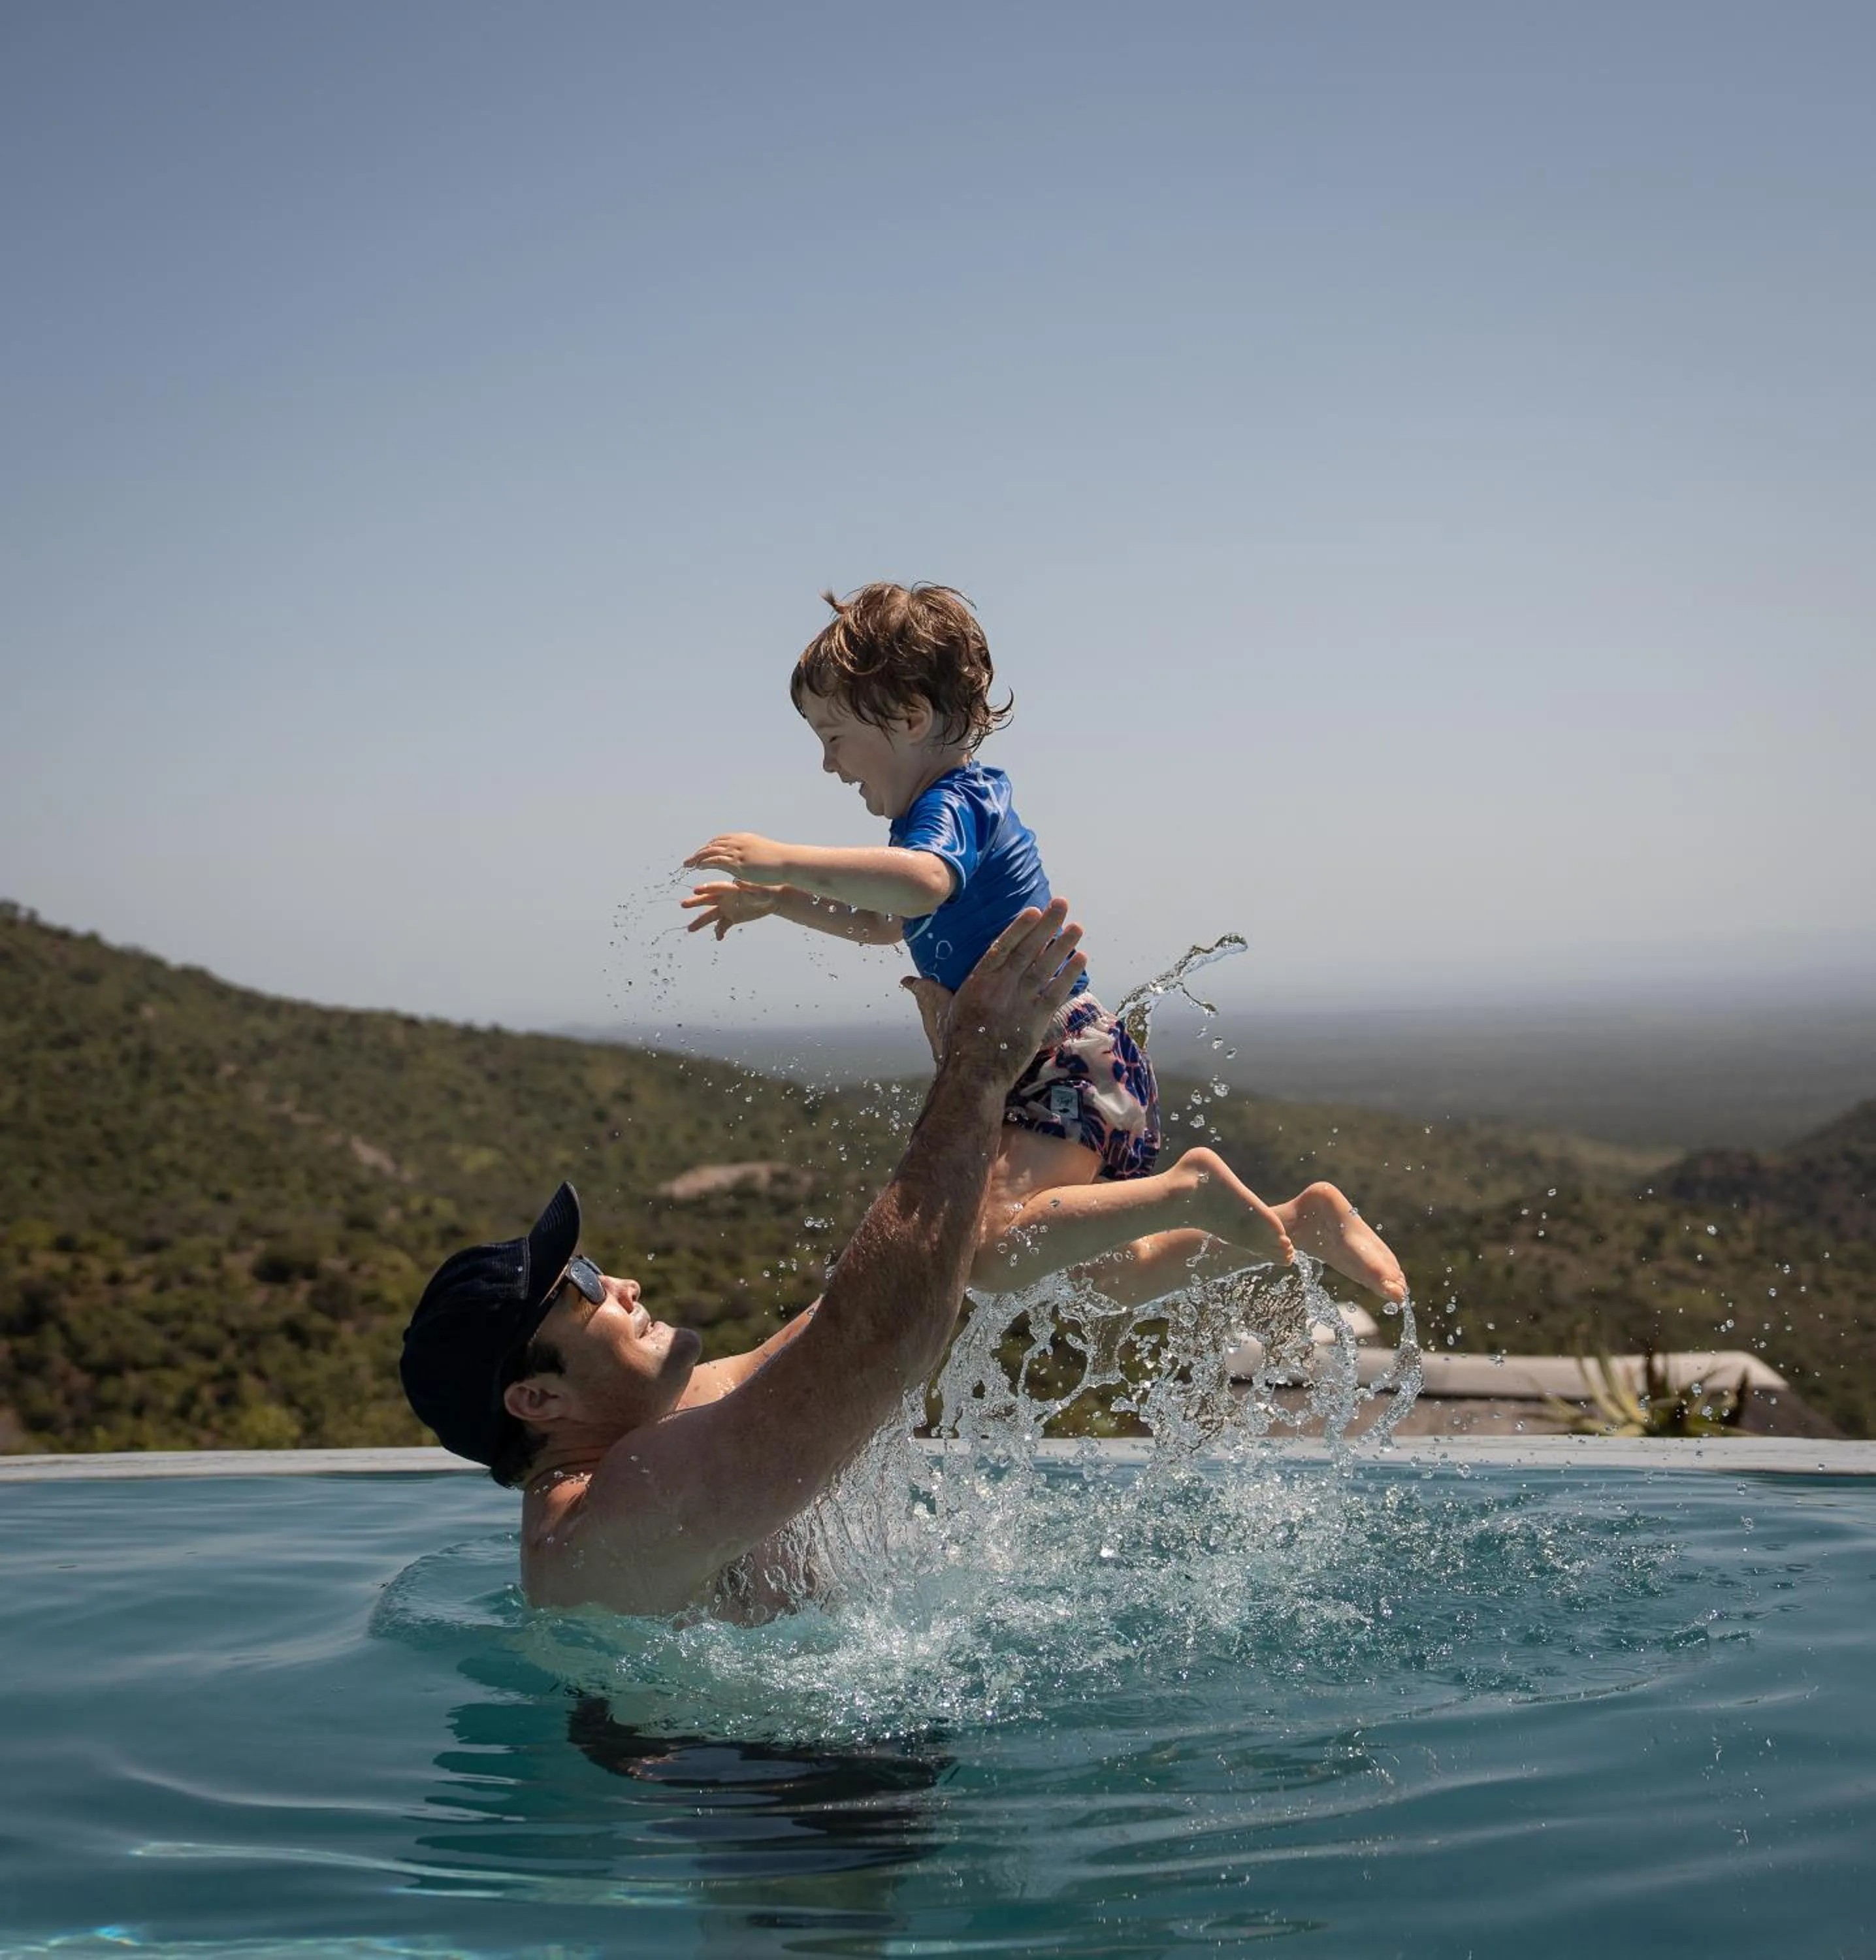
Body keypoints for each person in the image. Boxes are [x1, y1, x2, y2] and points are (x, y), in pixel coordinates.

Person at [681, 581, 1406, 1311]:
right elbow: (886, 919)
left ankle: (1190, 1188)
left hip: (1061, 1058)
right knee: (1113, 1275)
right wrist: (781, 904)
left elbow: (921, 885)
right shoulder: (935, 823)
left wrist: (781, 858)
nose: (829, 766)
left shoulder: (952, 807)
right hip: (1075, 1063)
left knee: (990, 1252)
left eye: (833, 738)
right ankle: (1298, 1223)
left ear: (908, 717)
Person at [400, 902, 1088, 1619]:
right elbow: (878, 1340)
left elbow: (886, 1302)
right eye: (581, 1288)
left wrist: (996, 1099)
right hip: (746, 1739)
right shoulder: (619, 1511)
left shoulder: (658, 1434)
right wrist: (977, 1070)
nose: (624, 1285)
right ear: (538, 1399)